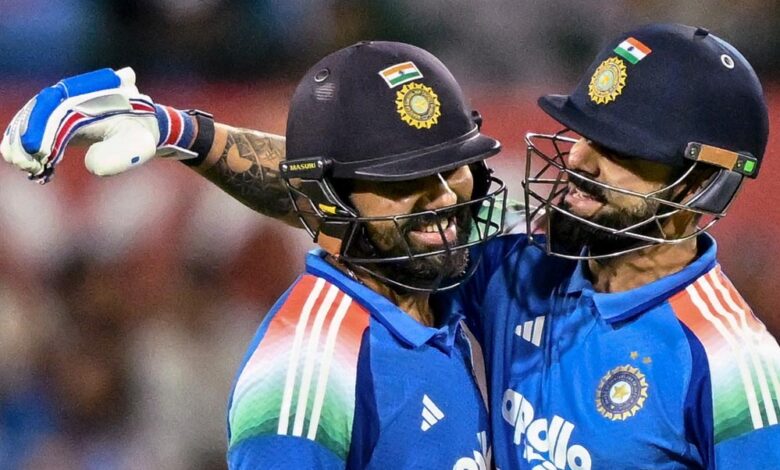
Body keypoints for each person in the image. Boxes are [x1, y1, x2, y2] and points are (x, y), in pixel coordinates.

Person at [4, 23, 780, 469]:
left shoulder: (739, 374)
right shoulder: (521, 275)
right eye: (582, 132)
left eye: (618, 151)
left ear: (698, 184)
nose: (576, 159)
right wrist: (184, 132)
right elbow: (357, 197)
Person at [1, 42, 507, 468]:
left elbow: (339, 194)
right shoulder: (309, 365)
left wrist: (182, 132)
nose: (444, 196)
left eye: (454, 165)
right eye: (406, 177)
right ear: (330, 200)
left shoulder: (446, 293)